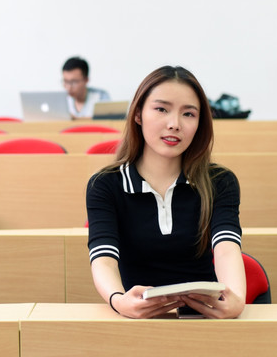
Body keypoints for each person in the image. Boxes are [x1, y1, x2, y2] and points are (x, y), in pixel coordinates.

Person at [86, 66, 246, 319]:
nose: (174, 124)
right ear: (138, 114)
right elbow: (103, 257)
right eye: (161, 109)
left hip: (204, 319)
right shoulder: (105, 185)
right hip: (135, 319)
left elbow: (226, 248)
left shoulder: (220, 181)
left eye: (189, 114)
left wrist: (237, 299)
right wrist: (118, 300)